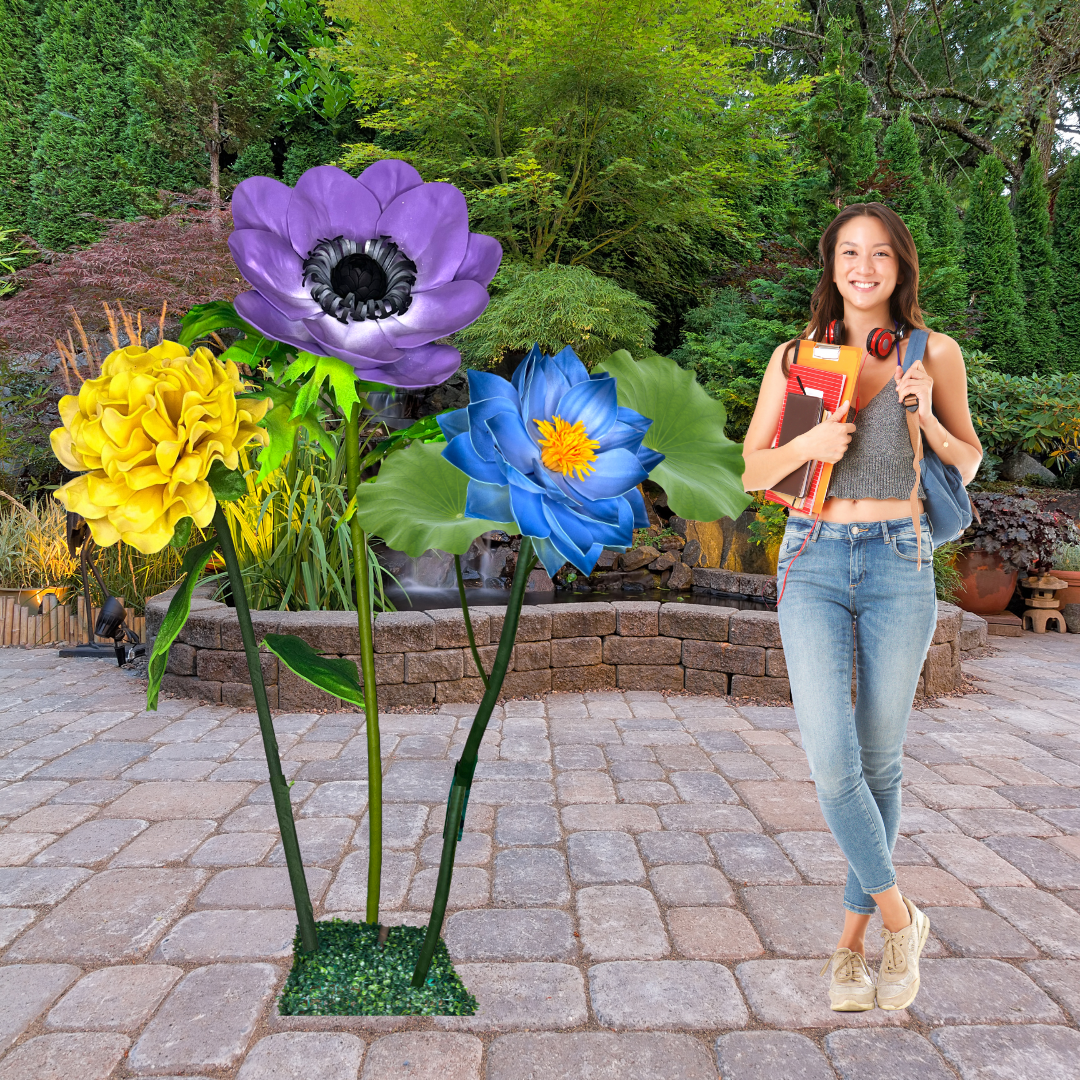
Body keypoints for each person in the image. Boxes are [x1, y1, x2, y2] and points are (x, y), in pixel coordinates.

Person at [740, 203, 982, 1012]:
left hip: (899, 560)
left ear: (901, 267)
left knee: (880, 764)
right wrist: (808, 447)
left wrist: (924, 416)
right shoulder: (797, 358)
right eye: (850, 252)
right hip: (810, 556)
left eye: (880, 254)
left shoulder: (933, 351)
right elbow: (753, 472)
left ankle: (847, 950)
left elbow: (969, 457)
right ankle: (898, 915)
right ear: (832, 265)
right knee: (832, 761)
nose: (865, 266)